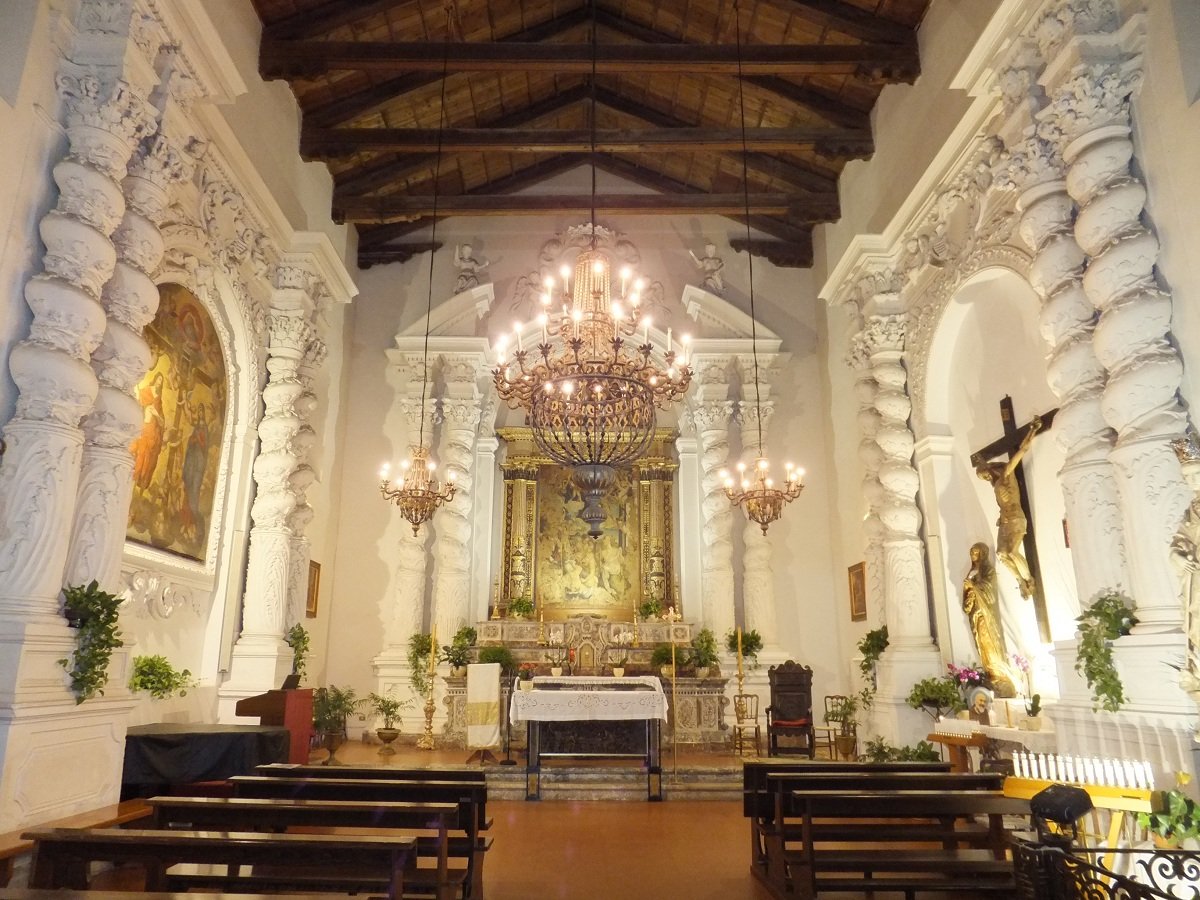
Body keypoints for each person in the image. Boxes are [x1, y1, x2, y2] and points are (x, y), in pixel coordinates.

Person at [974, 415, 1041, 599]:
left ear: (991, 470)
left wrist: (1033, 430)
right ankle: (1020, 580)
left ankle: (1029, 580)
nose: (987, 479)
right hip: (1004, 521)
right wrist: (981, 462)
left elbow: (1022, 450)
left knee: (1012, 551)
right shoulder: (996, 484)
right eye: (984, 478)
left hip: (1016, 518)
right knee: (1001, 554)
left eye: (986, 475)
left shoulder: (1005, 475)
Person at [962, 542, 1018, 698]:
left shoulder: (988, 571)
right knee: (981, 643)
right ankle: (990, 674)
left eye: (976, 553)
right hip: (975, 614)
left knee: (990, 642)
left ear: (983, 554)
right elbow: (967, 596)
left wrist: (973, 586)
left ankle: (999, 675)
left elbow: (989, 591)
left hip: (986, 615)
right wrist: (968, 588)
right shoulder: (972, 572)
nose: (973, 556)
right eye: (971, 553)